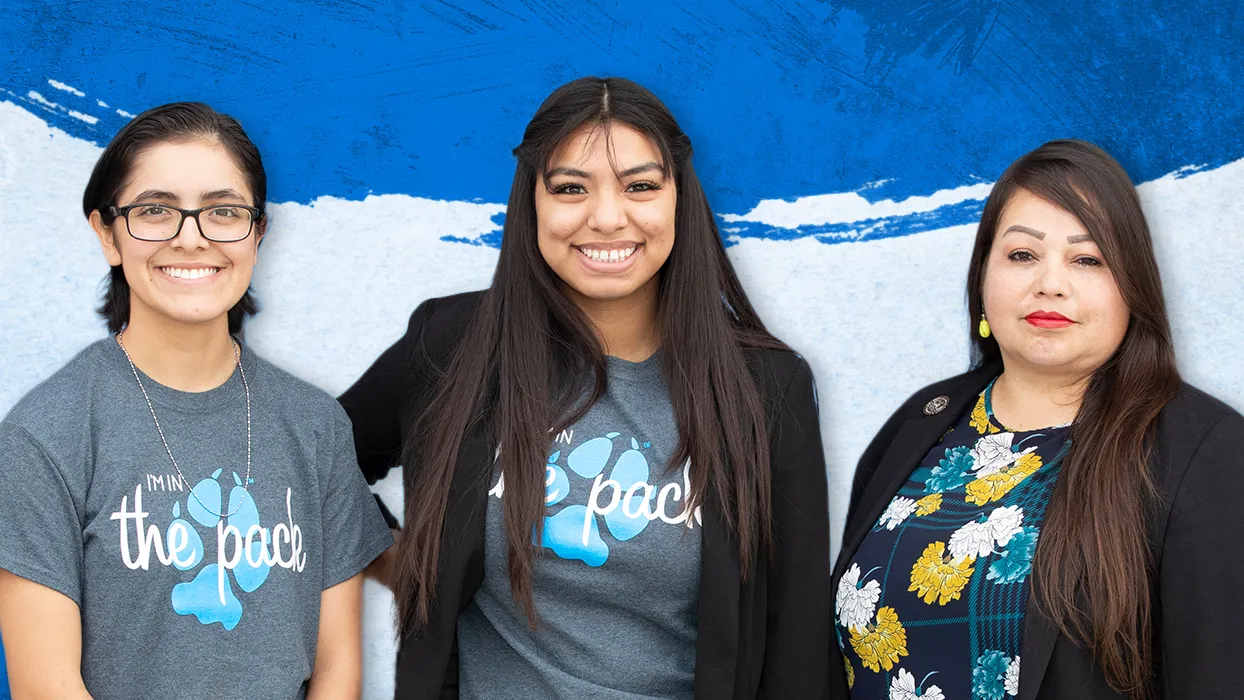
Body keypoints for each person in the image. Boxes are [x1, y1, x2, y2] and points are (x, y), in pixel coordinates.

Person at [340, 76, 831, 699]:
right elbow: (313, 463)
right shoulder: (452, 346)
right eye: (571, 188)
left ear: (679, 198)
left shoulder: (766, 388)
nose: (606, 218)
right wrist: (404, 564)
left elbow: (798, 639)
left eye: (641, 186)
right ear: (533, 203)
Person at [0, 102, 393, 699]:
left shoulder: (316, 427)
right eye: (155, 211)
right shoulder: (45, 434)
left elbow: (337, 671)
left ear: (257, 234)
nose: (191, 238)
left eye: (223, 211)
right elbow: (44, 687)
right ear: (107, 233)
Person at [832, 139, 1244, 699]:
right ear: (983, 278)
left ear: (1134, 288)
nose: (1050, 283)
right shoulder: (920, 421)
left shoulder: (1203, 451)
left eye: (1088, 259)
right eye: (1022, 255)